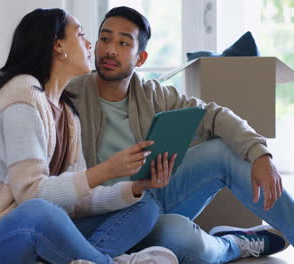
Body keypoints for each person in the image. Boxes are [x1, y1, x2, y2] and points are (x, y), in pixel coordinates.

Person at [66, 6, 293, 264]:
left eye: (123, 42)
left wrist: (260, 154)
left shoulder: (154, 94)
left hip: (156, 195)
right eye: (105, 39)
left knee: (226, 151)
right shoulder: (71, 95)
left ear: (140, 58)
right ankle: (234, 244)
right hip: (110, 215)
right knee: (185, 241)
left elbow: (214, 115)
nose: (110, 49)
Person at [0, 8, 180, 264]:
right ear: (58, 46)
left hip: (42, 231)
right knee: (40, 212)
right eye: (80, 35)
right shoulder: (22, 94)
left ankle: (85, 259)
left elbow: (78, 201)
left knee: (144, 205)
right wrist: (105, 171)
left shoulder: (67, 113)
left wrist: (135, 187)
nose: (89, 43)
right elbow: (30, 195)